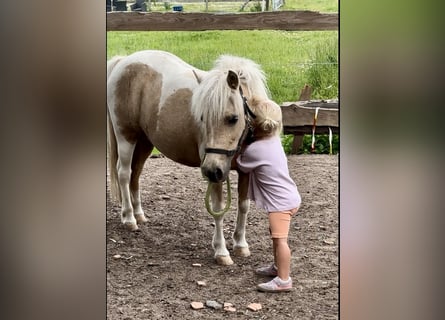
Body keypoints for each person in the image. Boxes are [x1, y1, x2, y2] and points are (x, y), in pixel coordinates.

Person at [236, 98, 301, 293]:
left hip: (280, 204)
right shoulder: (274, 141)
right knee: (275, 236)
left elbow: (240, 164)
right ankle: (277, 268)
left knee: (281, 240)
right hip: (288, 198)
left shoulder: (255, 149)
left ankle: (283, 280)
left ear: (252, 124)